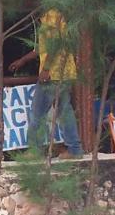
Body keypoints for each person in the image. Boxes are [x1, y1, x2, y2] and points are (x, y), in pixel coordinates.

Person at [8, 9, 83, 158]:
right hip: (64, 71)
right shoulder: (53, 14)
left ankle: (35, 151)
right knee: (64, 112)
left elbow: (54, 45)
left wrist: (46, 68)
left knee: (37, 113)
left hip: (53, 73)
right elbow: (42, 48)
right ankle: (74, 149)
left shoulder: (52, 15)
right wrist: (23, 60)